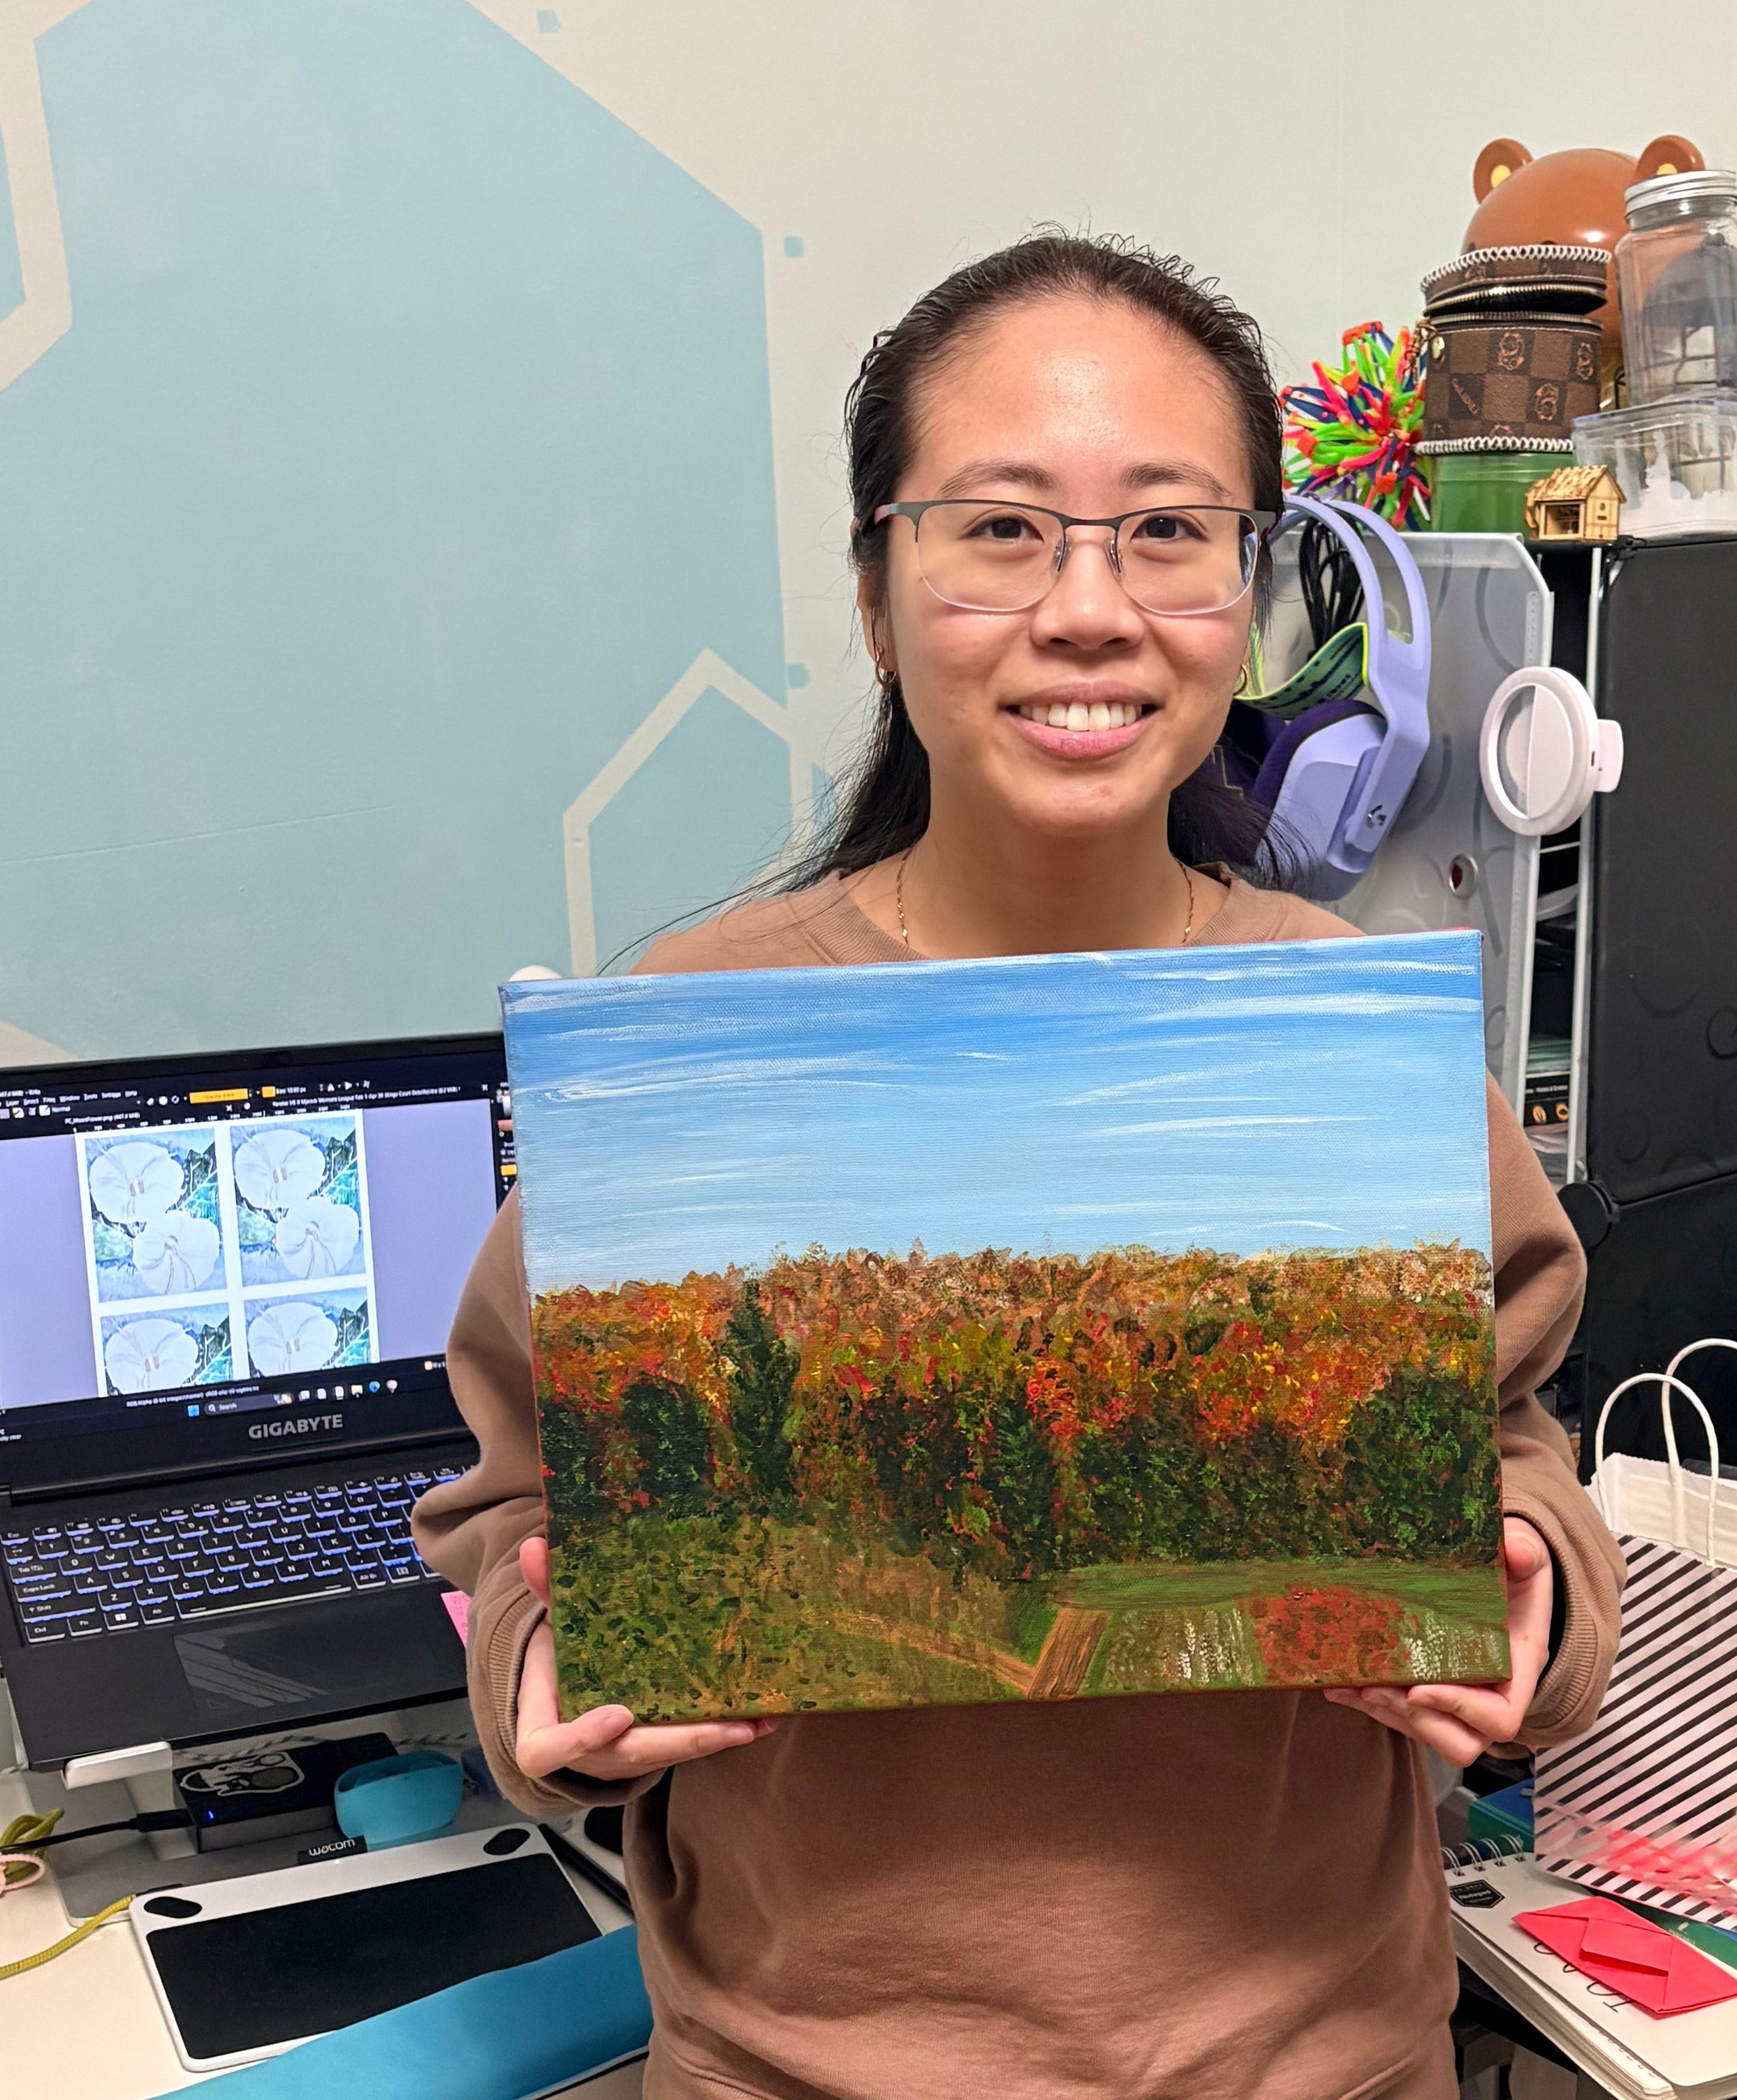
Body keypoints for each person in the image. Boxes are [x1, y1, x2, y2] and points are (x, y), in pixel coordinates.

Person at [414, 231, 1624, 2100]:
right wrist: (540, 1672)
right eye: (1000, 529)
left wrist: (1536, 1594)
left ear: (1248, 595)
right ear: (878, 596)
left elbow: (1516, 1445)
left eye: (1169, 530)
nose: (1089, 609)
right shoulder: (692, 1044)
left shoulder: (1342, 1033)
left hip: (1315, 2064)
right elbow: (509, 1508)